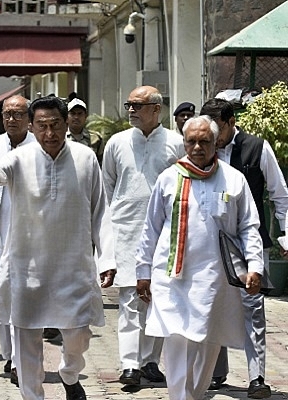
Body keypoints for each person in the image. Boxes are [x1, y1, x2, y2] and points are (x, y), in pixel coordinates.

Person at [0, 95, 117, 400]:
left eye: (55, 124)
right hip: (27, 266)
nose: (49, 133)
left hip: (74, 265)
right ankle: (32, 395)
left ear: (66, 122)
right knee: (27, 340)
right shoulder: (20, 158)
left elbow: (100, 210)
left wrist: (106, 258)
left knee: (78, 335)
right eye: (41, 126)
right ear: (32, 127)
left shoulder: (85, 158)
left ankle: (70, 373)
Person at [135, 115, 265, 400]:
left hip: (216, 282)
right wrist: (142, 271)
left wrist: (255, 266)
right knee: (177, 342)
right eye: (191, 141)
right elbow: (151, 229)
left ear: (215, 143)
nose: (196, 147)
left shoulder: (233, 179)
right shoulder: (169, 178)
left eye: (204, 141)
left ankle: (192, 396)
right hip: (173, 279)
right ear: (183, 142)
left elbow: (249, 226)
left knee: (208, 345)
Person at [201, 98, 288, 398]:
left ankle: (257, 377)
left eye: (216, 129)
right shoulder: (201, 151)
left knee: (252, 308)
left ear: (230, 122)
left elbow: (280, 195)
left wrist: (286, 234)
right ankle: (216, 372)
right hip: (211, 242)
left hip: (250, 242)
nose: (210, 136)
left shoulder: (257, 148)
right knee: (211, 304)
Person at [102, 85, 185, 387]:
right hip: (125, 228)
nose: (131, 110)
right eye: (129, 105)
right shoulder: (117, 142)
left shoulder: (176, 143)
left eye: (138, 105)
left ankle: (150, 361)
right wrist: (108, 230)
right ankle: (129, 364)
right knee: (129, 297)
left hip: (164, 232)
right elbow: (107, 185)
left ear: (156, 109)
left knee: (158, 297)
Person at [0, 94, 37, 387]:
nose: (12, 119)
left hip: (28, 237)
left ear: (28, 118)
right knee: (1, 297)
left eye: (18, 114)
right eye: (7, 114)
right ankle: (9, 354)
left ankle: (19, 359)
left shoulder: (38, 148)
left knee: (21, 299)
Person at [66, 97, 104, 164]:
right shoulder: (60, 137)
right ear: (66, 116)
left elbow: (101, 164)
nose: (76, 117)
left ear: (85, 116)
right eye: (73, 113)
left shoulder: (95, 138)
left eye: (80, 114)